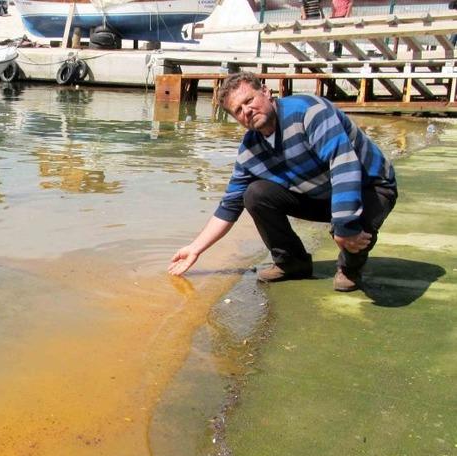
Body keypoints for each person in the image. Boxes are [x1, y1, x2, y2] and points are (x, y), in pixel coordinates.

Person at [168, 72, 397, 292]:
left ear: (266, 92)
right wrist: (194, 249)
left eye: (250, 100)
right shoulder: (250, 152)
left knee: (349, 236)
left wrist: (344, 225)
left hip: (370, 186)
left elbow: (343, 164)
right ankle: (291, 262)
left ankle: (350, 267)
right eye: (238, 110)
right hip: (320, 195)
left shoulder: (309, 112)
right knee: (255, 194)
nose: (247, 110)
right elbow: (229, 206)